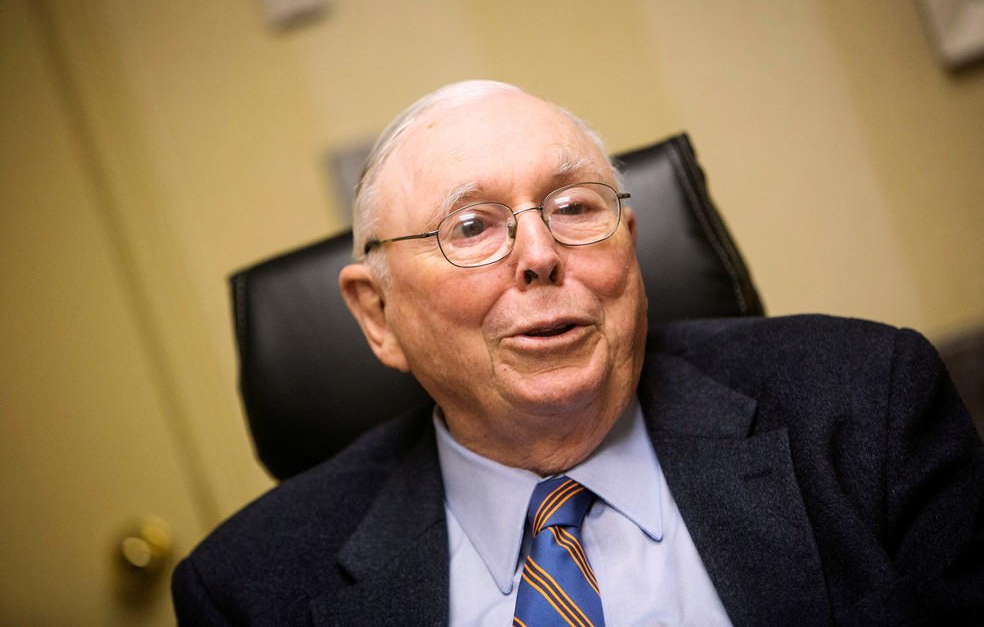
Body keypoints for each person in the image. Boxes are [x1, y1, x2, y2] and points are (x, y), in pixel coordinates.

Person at [172, 80, 984, 626]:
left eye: (572, 206)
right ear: (377, 314)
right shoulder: (249, 590)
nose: (539, 253)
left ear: (628, 246)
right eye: (472, 227)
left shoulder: (866, 403)